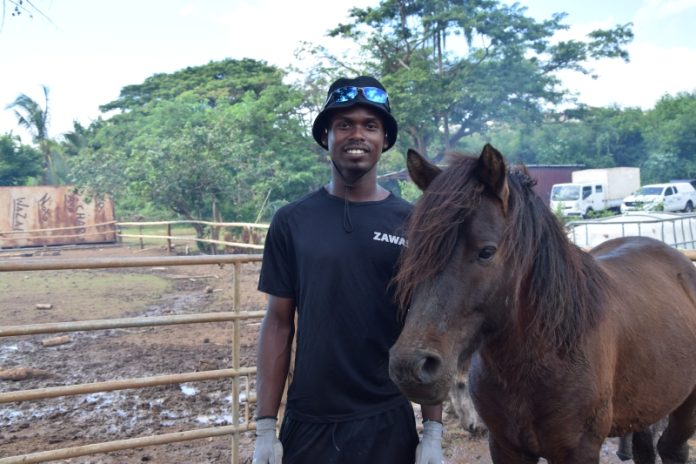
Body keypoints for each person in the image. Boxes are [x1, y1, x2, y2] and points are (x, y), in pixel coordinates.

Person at [252, 75, 444, 464]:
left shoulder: (414, 224)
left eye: (370, 126)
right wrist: (265, 429)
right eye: (344, 125)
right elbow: (278, 323)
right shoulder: (292, 221)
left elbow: (427, 327)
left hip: (387, 421)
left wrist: (433, 433)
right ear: (325, 136)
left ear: (384, 140)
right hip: (309, 423)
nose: (357, 135)